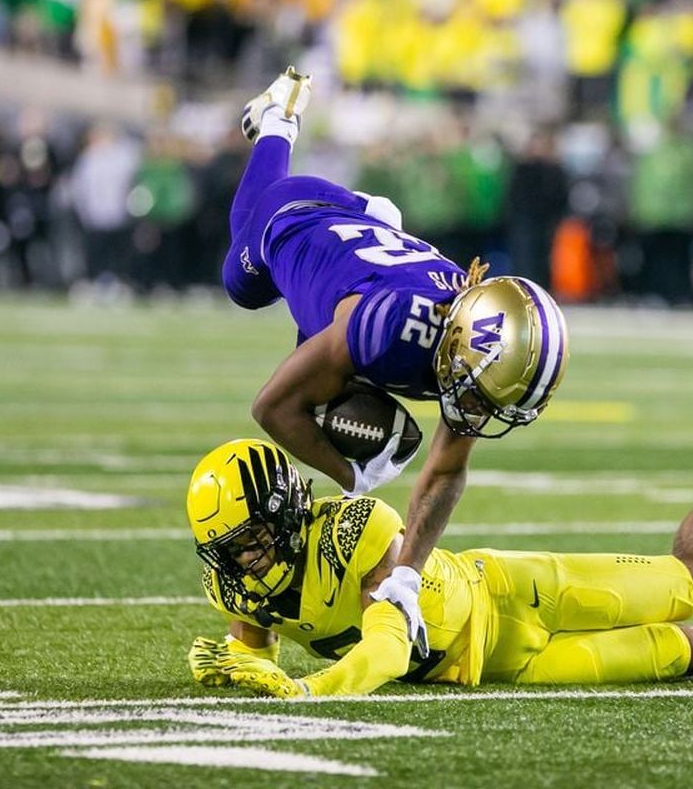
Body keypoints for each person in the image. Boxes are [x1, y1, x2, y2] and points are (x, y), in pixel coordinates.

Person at [221, 67, 570, 657]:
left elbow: (446, 469)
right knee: (241, 280)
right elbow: (273, 407)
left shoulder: (473, 342)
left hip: (363, 244)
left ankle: (364, 203)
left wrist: (406, 576)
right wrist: (351, 479)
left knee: (336, 380)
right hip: (296, 216)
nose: (482, 409)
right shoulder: (388, 332)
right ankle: (278, 123)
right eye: (489, 393)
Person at [185, 438, 693, 697]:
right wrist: (229, 665)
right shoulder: (239, 583)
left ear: (285, 514)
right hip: (506, 668)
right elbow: (253, 650)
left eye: (250, 539)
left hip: (517, 593)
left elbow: (385, 646)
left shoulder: (358, 529)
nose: (243, 561)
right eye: (228, 549)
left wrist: (311, 691)